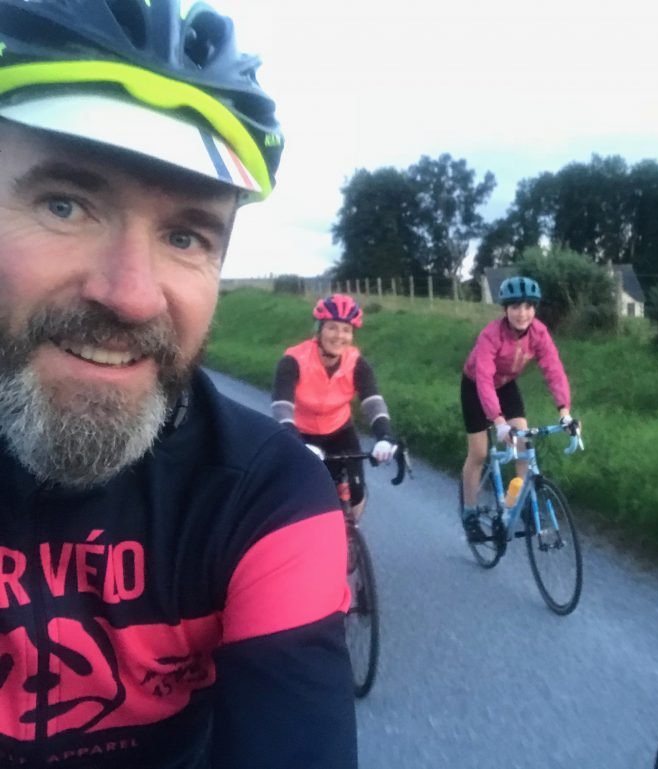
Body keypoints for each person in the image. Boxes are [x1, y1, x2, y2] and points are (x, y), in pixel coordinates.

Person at [0, 2, 356, 767]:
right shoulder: (296, 361)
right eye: (65, 203)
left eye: (186, 235)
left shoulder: (266, 501)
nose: (131, 294)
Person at [460, 275, 577, 542]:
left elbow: (554, 370)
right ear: (505, 310)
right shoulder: (491, 335)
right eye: (515, 307)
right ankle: (469, 513)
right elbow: (485, 380)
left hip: (507, 386)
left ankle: (521, 504)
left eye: (527, 306)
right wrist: (498, 422)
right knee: (478, 454)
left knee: (523, 441)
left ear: (534, 309)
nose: (522, 313)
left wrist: (564, 411)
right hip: (476, 386)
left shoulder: (539, 333)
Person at [271, 294, 398, 521]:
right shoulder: (293, 360)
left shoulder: (357, 363)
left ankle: (352, 537)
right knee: (303, 498)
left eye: (346, 330)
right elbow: (282, 407)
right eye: (332, 328)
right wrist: (295, 442)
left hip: (339, 431)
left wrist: (385, 436)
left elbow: (373, 401)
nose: (339, 336)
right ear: (319, 330)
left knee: (357, 492)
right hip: (301, 433)